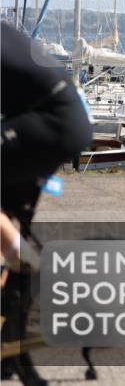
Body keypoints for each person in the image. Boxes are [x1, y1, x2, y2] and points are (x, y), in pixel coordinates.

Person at [1, 23, 93, 264]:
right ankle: (16, 290)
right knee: (8, 223)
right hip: (62, 119)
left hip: (53, 121)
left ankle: (33, 267)